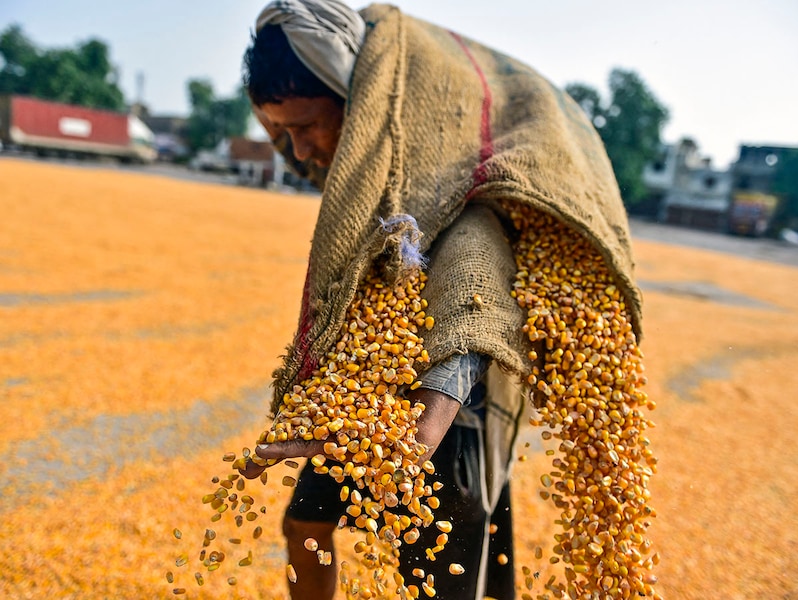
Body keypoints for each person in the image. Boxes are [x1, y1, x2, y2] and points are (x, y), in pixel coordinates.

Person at [238, 1, 643, 599]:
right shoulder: (375, 162)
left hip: (468, 381)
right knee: (306, 522)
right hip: (375, 383)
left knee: (443, 563)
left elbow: (473, 266)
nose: (297, 151)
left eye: (305, 127)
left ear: (356, 102)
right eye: (282, 133)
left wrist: (441, 395)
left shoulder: (438, 141)